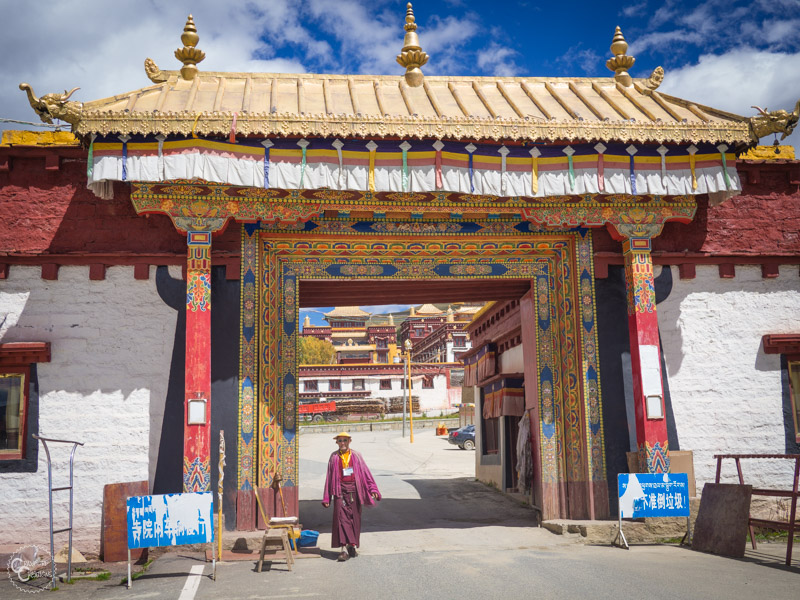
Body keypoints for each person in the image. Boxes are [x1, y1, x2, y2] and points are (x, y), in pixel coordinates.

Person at [321, 432, 381, 561]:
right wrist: (327, 497)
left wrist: (373, 489)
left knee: (354, 519)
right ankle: (343, 550)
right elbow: (329, 478)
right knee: (341, 520)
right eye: (340, 440)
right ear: (336, 442)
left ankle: (351, 545)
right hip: (340, 492)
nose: (343, 443)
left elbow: (366, 473)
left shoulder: (357, 456)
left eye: (345, 440)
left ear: (350, 441)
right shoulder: (334, 457)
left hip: (355, 491)